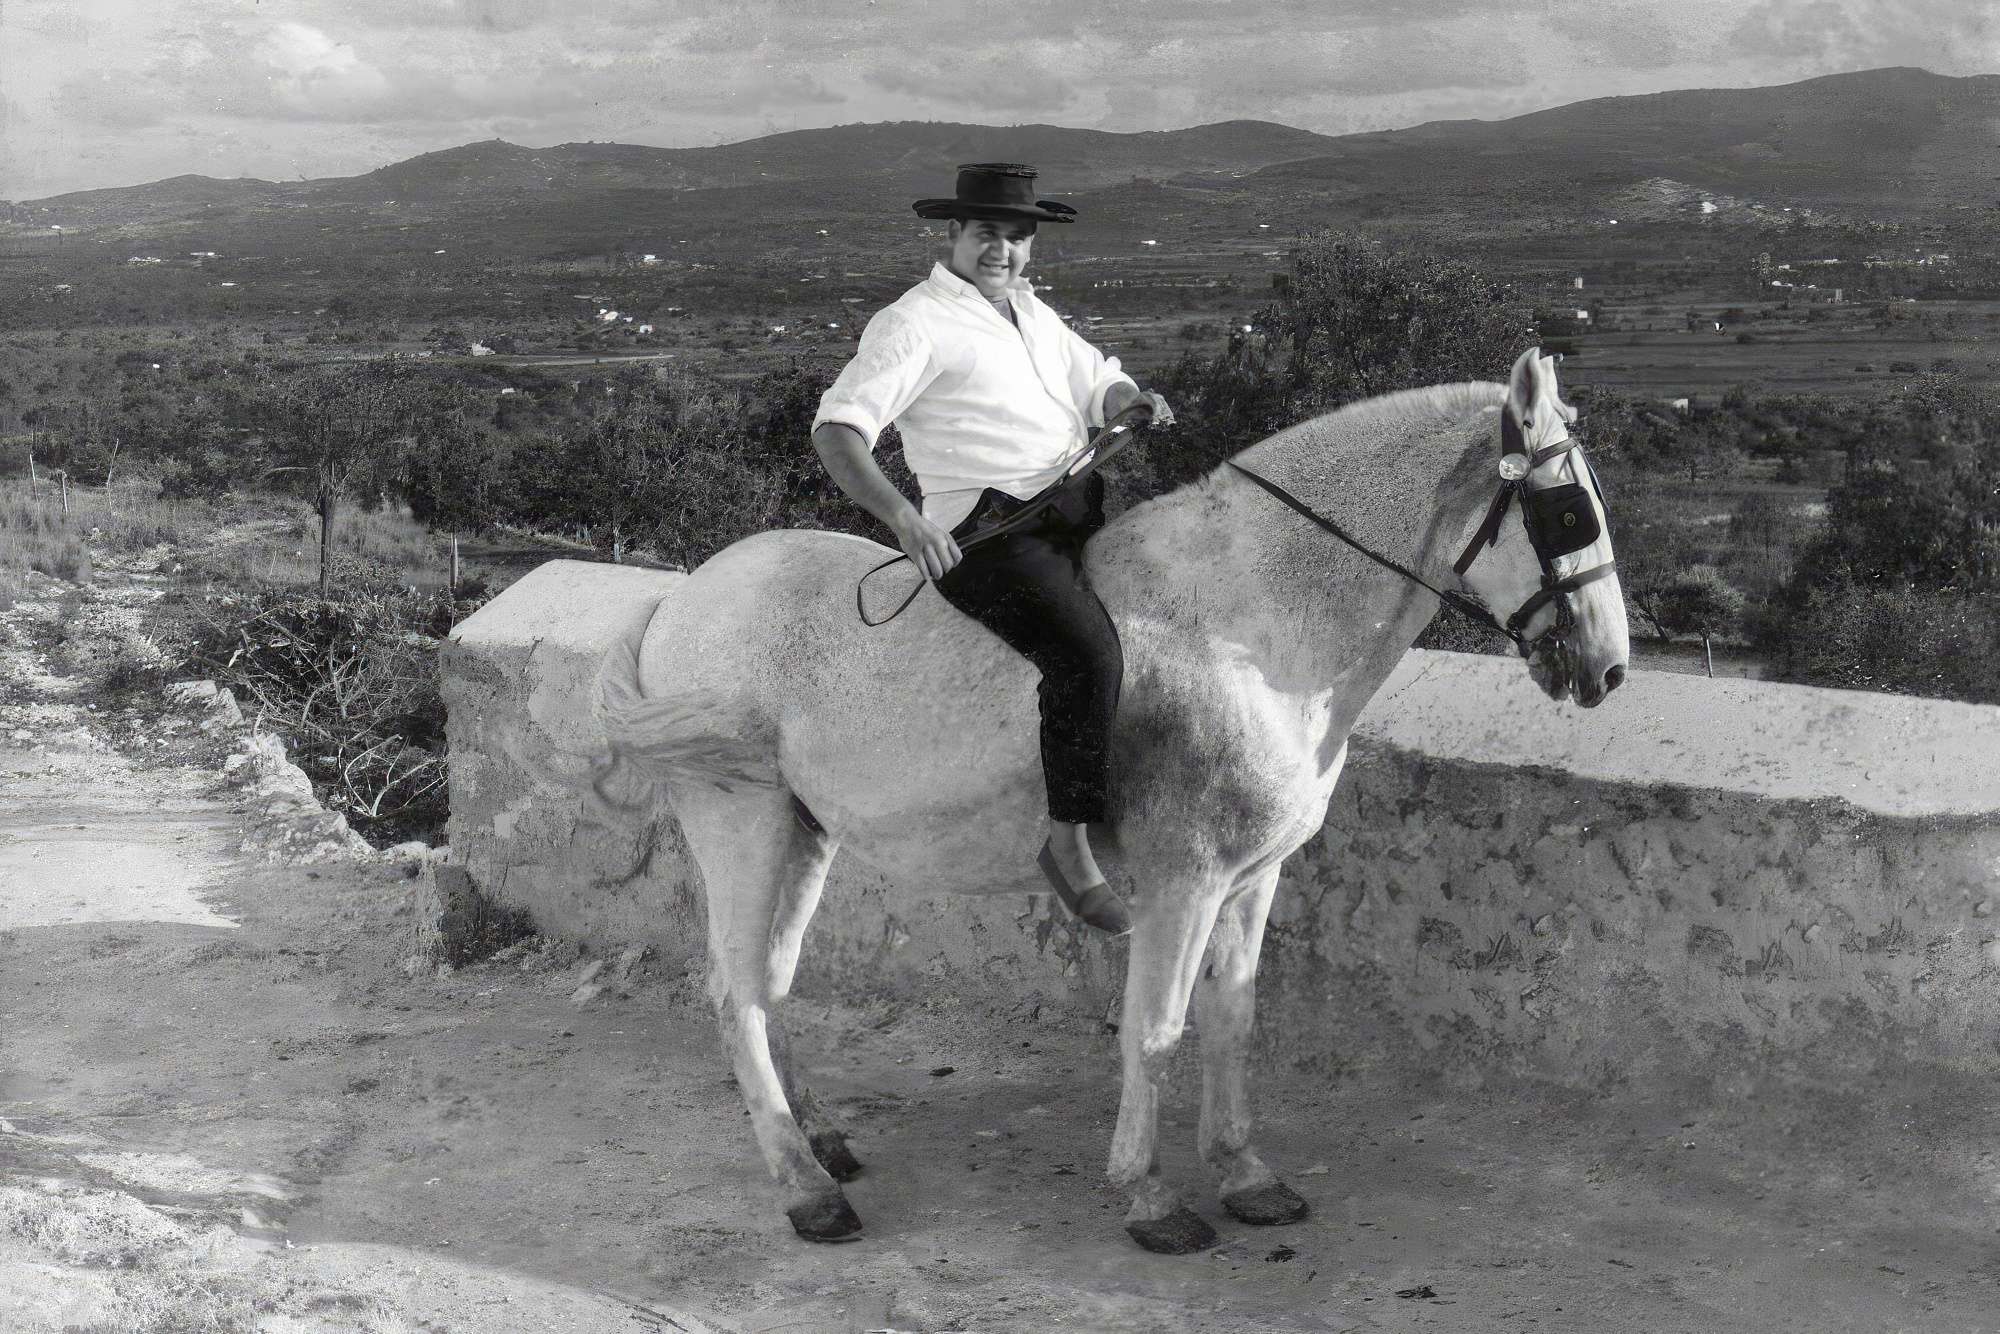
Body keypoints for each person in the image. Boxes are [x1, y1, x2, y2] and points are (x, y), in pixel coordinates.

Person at [809, 162, 1174, 937]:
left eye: (1015, 237)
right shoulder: (914, 323)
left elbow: (1099, 383)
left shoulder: (1032, 312)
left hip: (1074, 508)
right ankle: (1068, 846)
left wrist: (1129, 402)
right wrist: (908, 522)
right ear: (953, 235)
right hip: (989, 536)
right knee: (1088, 656)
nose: (1001, 250)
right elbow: (838, 429)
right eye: (986, 234)